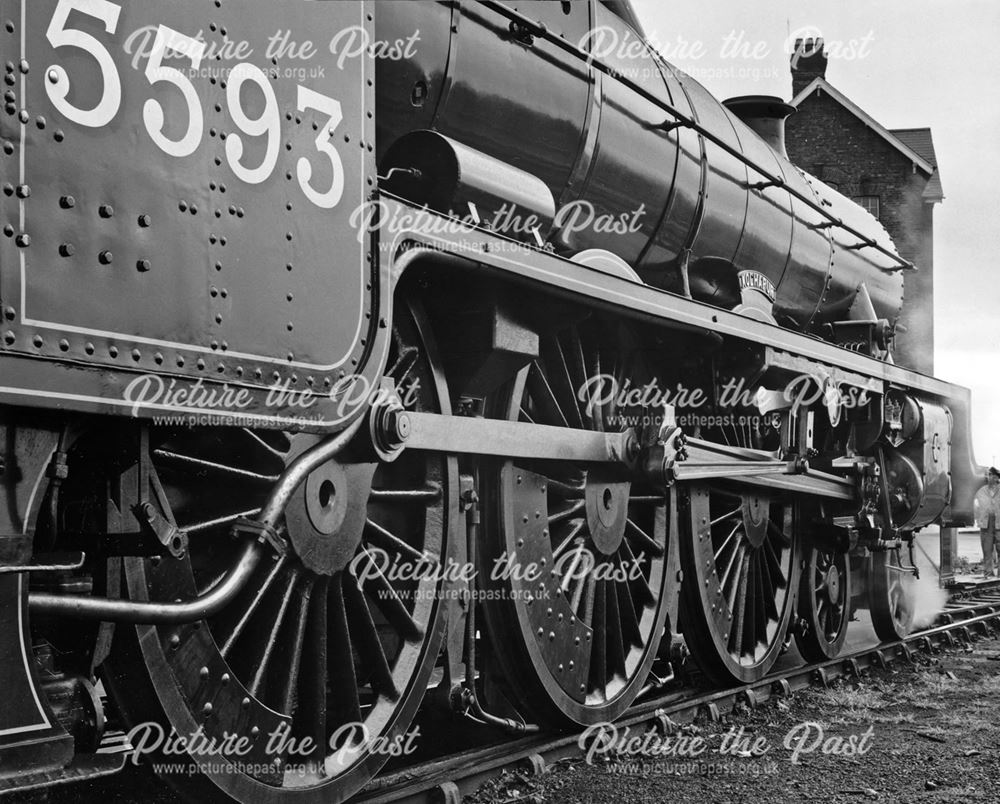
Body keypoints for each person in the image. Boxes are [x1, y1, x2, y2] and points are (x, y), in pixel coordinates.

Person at [974, 467, 1000, 578]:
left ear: (996, 477)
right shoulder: (981, 490)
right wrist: (977, 517)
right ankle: (988, 573)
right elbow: (974, 505)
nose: (988, 477)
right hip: (986, 524)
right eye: (988, 475)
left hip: (999, 524)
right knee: (987, 550)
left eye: (990, 475)